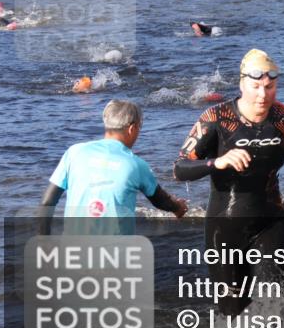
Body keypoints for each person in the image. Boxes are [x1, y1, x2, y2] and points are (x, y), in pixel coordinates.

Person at [174, 49, 284, 317]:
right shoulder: (215, 119)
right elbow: (179, 169)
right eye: (256, 86)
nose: (263, 95)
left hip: (272, 221)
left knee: (272, 309)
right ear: (241, 84)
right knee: (233, 313)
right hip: (225, 227)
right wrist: (217, 162)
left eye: (270, 87)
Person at [39, 100, 188, 235]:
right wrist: (178, 207)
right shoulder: (135, 164)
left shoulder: (74, 152)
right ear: (132, 128)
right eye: (139, 127)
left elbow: (47, 201)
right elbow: (160, 200)